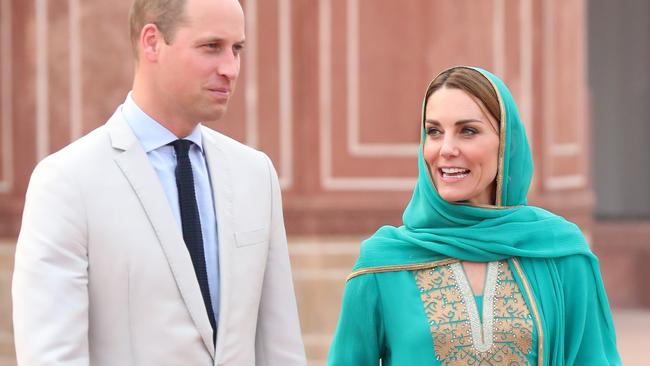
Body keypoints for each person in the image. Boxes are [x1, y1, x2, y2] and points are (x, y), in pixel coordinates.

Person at [11, 0, 306, 364]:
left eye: (237, 49)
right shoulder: (66, 183)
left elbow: (281, 350)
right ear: (151, 42)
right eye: (211, 46)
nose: (230, 68)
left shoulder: (256, 175)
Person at [327, 66, 621, 365]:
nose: (447, 149)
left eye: (468, 131)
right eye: (434, 132)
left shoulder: (559, 252)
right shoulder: (382, 263)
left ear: (506, 143)